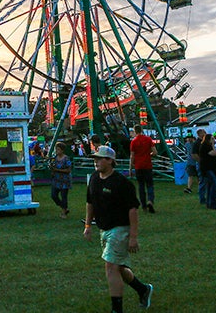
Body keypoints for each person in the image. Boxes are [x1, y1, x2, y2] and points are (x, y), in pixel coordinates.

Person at [84, 146, 154, 313]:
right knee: (119, 267)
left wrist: (133, 237)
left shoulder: (122, 183)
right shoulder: (94, 178)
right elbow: (89, 203)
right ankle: (143, 289)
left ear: (110, 161)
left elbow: (133, 209)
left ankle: (117, 309)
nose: (96, 162)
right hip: (104, 229)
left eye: (100, 158)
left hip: (120, 229)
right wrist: (87, 225)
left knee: (111, 267)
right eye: (95, 158)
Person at [128, 126, 157, 213]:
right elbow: (155, 152)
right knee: (150, 185)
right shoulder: (148, 139)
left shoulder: (134, 142)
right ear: (141, 130)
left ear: (135, 131)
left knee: (141, 186)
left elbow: (132, 156)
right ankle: (150, 201)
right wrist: (149, 154)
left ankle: (144, 206)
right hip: (148, 165)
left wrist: (130, 168)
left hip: (138, 166)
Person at [198, 131, 216, 210]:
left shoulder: (206, 146)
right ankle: (212, 202)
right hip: (207, 168)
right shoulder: (205, 146)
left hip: (209, 168)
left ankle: (209, 202)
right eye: (212, 138)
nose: (213, 140)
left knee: (210, 185)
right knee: (214, 183)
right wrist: (213, 145)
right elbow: (214, 153)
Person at [49, 142, 72, 218]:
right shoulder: (55, 158)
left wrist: (57, 170)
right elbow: (53, 166)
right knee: (53, 195)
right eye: (56, 149)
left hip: (64, 181)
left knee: (63, 196)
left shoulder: (66, 158)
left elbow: (68, 170)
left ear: (62, 150)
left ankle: (64, 212)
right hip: (56, 180)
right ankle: (64, 207)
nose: (57, 151)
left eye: (58, 149)